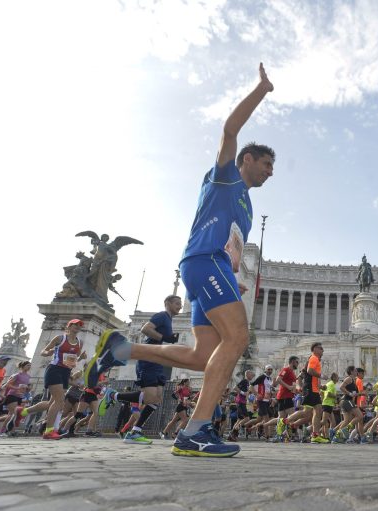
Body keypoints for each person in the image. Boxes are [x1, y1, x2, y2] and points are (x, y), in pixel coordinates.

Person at [84, 63, 275, 457]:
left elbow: (232, 247)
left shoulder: (247, 205)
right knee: (237, 337)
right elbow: (229, 131)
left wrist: (234, 276)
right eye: (267, 164)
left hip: (216, 268)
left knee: (203, 356)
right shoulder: (226, 176)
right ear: (248, 159)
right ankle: (195, 430)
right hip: (202, 262)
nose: (271, 172)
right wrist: (262, 90)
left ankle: (123, 349)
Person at [103, 295, 183, 445]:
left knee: (157, 399)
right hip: (148, 359)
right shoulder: (162, 316)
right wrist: (165, 338)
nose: (180, 306)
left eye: (180, 303)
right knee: (149, 397)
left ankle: (135, 432)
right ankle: (113, 395)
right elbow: (145, 329)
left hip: (158, 361)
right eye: (177, 303)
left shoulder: (169, 320)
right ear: (167, 303)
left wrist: (168, 339)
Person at [11, 319, 87, 440]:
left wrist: (81, 357)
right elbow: (43, 351)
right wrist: (48, 352)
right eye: (75, 324)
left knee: (52, 403)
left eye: (80, 325)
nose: (78, 326)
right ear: (69, 325)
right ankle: (49, 431)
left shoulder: (80, 342)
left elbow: (72, 358)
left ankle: (23, 412)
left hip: (66, 371)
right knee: (59, 401)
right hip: (54, 370)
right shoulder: (60, 338)